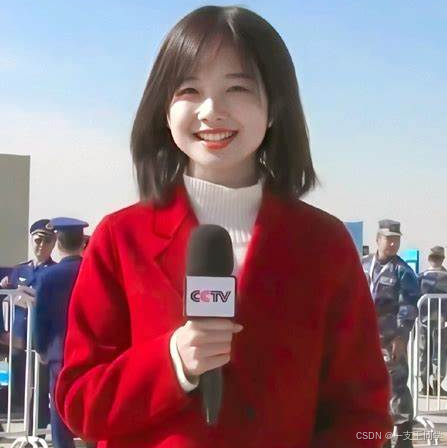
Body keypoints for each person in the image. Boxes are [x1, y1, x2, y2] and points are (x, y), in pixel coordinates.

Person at [55, 6, 391, 448]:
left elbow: (365, 415)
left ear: (275, 107)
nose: (212, 111)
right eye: (189, 90)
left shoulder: (324, 245)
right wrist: (173, 360)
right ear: (164, 110)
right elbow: (80, 403)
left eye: (237, 88)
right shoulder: (120, 237)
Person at [33, 217, 91, 448]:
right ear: (82, 241)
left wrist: (41, 348)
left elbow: (41, 318)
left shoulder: (48, 276)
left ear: (57, 242)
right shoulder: (93, 272)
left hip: (59, 352)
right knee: (92, 404)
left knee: (58, 407)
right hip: (91, 350)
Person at [362, 219, 419, 448]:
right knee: (370, 391)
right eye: (389, 239)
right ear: (378, 239)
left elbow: (409, 306)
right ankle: (379, 440)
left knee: (396, 390)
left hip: (390, 339)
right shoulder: (363, 264)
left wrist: (401, 337)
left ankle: (404, 440)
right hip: (364, 340)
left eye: (396, 239)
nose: (393, 244)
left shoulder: (403, 271)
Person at [0, 219, 55, 427]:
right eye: (38, 240)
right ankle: (24, 425)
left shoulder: (54, 271)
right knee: (19, 387)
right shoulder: (19, 271)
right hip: (18, 338)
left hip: (40, 339)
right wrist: (3, 330)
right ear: (31, 240)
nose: (41, 245)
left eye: (47, 241)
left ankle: (36, 430)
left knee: (40, 387)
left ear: (54, 243)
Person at [418, 246, 447, 396]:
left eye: (436, 258)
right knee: (434, 353)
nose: (435, 260)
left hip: (433, 322)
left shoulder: (421, 277)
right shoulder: (422, 277)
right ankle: (431, 385)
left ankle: (431, 385)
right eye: (434, 258)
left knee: (430, 353)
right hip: (434, 322)